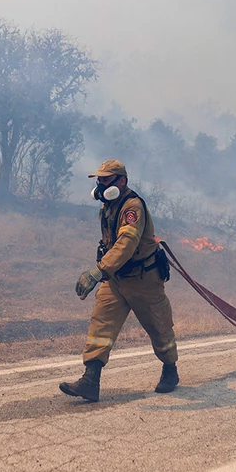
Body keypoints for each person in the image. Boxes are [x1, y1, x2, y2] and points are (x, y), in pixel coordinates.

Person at [59, 159, 179, 403]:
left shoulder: (132, 207)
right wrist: (105, 269)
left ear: (121, 181)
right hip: (115, 279)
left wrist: (98, 270)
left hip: (143, 280)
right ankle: (90, 381)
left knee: (159, 327)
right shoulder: (108, 207)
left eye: (105, 180)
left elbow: (126, 244)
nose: (100, 185)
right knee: (100, 326)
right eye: (98, 181)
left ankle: (170, 370)